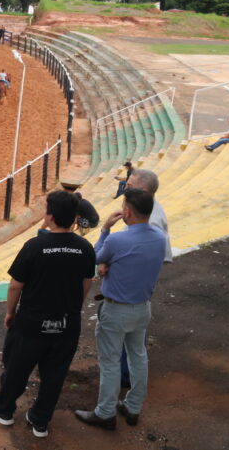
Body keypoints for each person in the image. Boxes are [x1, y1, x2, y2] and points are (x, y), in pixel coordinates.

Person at [0, 191, 96, 438]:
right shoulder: (85, 248)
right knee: (55, 374)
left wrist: (10, 312)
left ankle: (4, 409)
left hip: (32, 322)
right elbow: (87, 282)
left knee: (16, 368)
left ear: (50, 217)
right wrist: (74, 308)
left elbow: (15, 285)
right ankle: (40, 420)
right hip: (66, 322)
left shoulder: (35, 246)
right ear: (75, 218)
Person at [74, 188, 167, 431]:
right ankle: (133, 407)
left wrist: (105, 229)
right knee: (138, 356)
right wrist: (110, 263)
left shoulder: (117, 240)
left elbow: (94, 257)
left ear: (127, 212)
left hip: (116, 310)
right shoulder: (160, 238)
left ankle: (105, 413)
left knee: (110, 362)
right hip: (142, 307)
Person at [118, 169, 172, 388]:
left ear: (144, 190)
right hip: (136, 289)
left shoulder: (153, 221)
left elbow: (154, 255)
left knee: (128, 337)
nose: (125, 188)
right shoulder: (145, 212)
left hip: (133, 290)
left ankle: (126, 378)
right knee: (131, 337)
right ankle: (128, 377)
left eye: (130, 186)